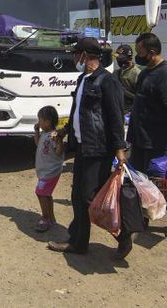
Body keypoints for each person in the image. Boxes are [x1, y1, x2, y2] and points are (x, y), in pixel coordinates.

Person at [47, 37, 127, 258]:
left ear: (84, 56)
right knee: (78, 196)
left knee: (91, 198)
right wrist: (64, 131)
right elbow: (77, 112)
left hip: (99, 149)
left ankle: (123, 236)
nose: (74, 58)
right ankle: (78, 242)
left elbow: (115, 116)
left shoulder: (107, 81)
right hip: (82, 147)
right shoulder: (83, 78)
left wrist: (120, 149)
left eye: (76, 54)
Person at [125, 32, 167, 241]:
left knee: (163, 182)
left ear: (152, 52)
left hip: (159, 140)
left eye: (140, 51)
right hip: (139, 138)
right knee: (140, 181)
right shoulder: (145, 74)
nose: (138, 55)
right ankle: (143, 215)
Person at [33, 105, 65, 232]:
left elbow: (58, 151)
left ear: (47, 122)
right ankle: (51, 217)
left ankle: (45, 218)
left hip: (50, 171)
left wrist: (60, 141)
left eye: (40, 120)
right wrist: (36, 132)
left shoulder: (53, 135)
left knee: (40, 193)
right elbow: (37, 143)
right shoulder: (45, 134)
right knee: (46, 194)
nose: (38, 122)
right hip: (44, 171)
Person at [113, 44, 139, 113]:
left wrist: (124, 91)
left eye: (120, 58)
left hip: (131, 112)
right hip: (118, 110)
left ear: (129, 58)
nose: (118, 59)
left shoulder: (136, 73)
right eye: (117, 58)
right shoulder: (117, 72)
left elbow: (141, 98)